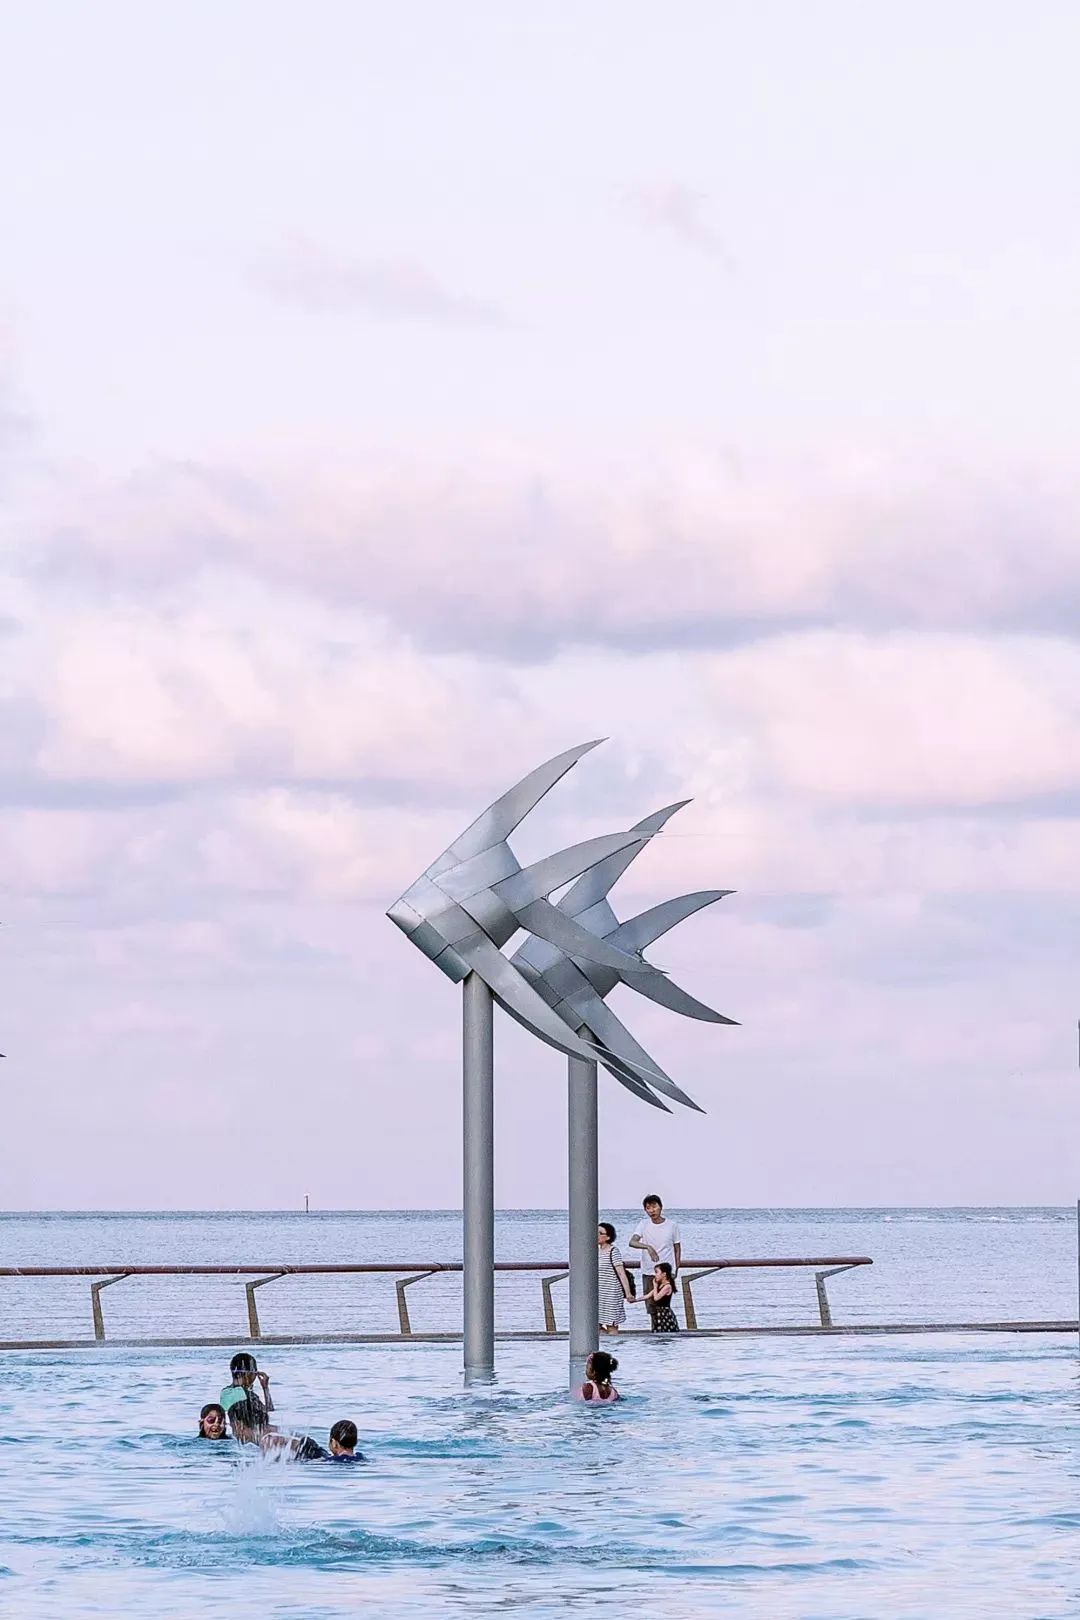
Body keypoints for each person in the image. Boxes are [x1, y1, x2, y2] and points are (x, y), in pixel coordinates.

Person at [628, 1195, 682, 1328]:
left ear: (660, 1207)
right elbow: (632, 1242)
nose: (651, 1210)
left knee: (663, 1303)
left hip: (666, 1272)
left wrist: (675, 1270)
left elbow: (677, 1248)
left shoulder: (672, 1225)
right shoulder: (643, 1224)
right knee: (651, 1305)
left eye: (654, 1207)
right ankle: (655, 1331)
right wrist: (648, 1247)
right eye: (648, 1208)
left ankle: (666, 1329)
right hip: (649, 1270)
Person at [228, 1396, 330, 1460]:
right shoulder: (267, 1430)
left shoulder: (267, 1440)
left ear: (239, 1425)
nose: (233, 1433)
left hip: (312, 1456)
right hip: (313, 1450)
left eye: (232, 1427)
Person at [597, 1222, 632, 1333]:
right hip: (598, 1293)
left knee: (611, 1325)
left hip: (611, 1293)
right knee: (594, 1324)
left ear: (608, 1237)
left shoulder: (613, 1251)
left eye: (600, 1233)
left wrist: (628, 1293)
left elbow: (621, 1273)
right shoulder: (595, 1251)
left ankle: (613, 1348)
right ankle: (603, 1345)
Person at [220, 1352, 274, 1423]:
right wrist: (265, 1388)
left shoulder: (224, 1392)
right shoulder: (248, 1395)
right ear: (249, 1373)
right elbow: (269, 1410)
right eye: (255, 1372)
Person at [631, 1261, 680, 1333]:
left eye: (657, 1272)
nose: (655, 1275)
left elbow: (656, 1298)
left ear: (664, 1274)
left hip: (664, 1313)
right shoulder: (660, 1285)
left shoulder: (667, 1286)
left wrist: (655, 1285)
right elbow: (648, 1295)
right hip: (658, 1312)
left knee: (665, 1331)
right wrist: (635, 1300)